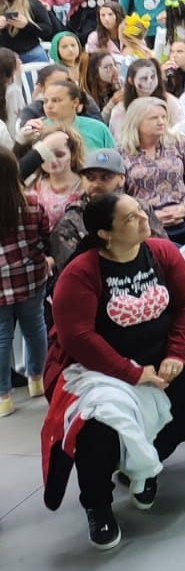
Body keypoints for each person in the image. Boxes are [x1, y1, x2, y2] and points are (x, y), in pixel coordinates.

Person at [41, 190, 185, 550]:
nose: (143, 219)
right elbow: (79, 338)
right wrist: (132, 373)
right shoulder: (80, 273)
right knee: (98, 428)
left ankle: (145, 461)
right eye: (130, 218)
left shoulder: (162, 252)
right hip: (98, 366)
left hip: (161, 352)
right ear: (105, 234)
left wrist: (177, 353)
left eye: (142, 211)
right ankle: (98, 504)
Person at [50, 148, 167, 268]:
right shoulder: (69, 223)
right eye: (90, 178)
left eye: (105, 178)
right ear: (82, 179)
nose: (96, 184)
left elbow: (163, 252)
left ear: (121, 179)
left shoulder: (140, 209)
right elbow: (71, 273)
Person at [1, 147, 50, 416]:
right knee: (35, 328)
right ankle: (37, 379)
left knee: (1, 337)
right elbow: (45, 237)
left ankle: (3, 397)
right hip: (31, 278)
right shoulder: (32, 203)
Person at [117, 96, 185, 243]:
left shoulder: (179, 142)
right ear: (136, 122)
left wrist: (184, 206)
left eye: (163, 117)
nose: (161, 122)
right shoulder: (121, 153)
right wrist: (150, 217)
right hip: (145, 222)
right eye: (153, 118)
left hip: (184, 213)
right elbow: (120, 196)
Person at [26, 78, 115, 152]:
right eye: (45, 101)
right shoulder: (37, 130)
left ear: (75, 102)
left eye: (56, 100)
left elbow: (114, 161)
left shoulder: (97, 128)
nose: (49, 106)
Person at [23, 126, 84, 227]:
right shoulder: (32, 184)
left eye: (60, 155)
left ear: (73, 155)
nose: (53, 161)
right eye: (46, 155)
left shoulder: (84, 185)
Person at [0, 0, 54, 64]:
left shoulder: (33, 3)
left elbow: (48, 30)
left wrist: (27, 25)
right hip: (3, 58)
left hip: (30, 54)